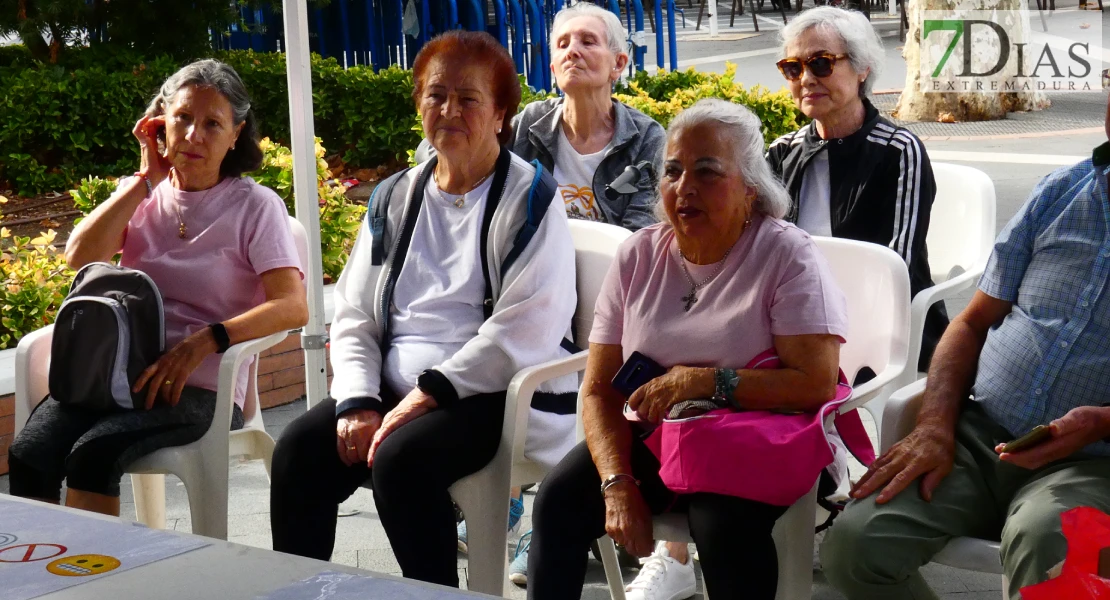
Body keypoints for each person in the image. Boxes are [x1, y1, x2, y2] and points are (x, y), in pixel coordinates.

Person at [267, 31, 579, 589]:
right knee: (298, 451)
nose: (450, 111)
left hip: (491, 393)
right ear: (418, 105)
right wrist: (359, 400)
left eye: (469, 99)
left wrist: (425, 395)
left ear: (501, 113)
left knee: (400, 461)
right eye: (436, 96)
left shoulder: (531, 198)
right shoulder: (395, 195)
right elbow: (357, 312)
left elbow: (526, 327)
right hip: (394, 387)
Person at [526, 98, 849, 600]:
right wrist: (617, 482)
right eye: (672, 171)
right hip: (656, 436)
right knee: (559, 501)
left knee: (722, 524)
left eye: (707, 171)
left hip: (751, 437)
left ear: (749, 188)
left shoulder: (786, 254)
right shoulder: (638, 254)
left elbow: (814, 383)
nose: (684, 188)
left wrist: (702, 380)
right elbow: (598, 390)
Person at [821, 94, 1110, 600]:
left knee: (1052, 549)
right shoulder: (1063, 191)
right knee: (854, 546)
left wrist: (1102, 422)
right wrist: (934, 424)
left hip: (1091, 463)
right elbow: (972, 323)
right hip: (976, 437)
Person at [8, 59, 308, 516]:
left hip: (201, 385)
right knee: (31, 454)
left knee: (94, 455)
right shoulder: (143, 195)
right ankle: (43, 576)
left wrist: (204, 342)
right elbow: (79, 256)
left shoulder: (256, 207)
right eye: (183, 118)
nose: (193, 135)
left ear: (235, 135)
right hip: (117, 373)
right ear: (159, 121)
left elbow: (292, 307)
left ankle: (97, 581)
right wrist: (144, 181)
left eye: (212, 124)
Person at [767, 6, 947, 375]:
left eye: (820, 63)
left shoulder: (898, 150)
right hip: (794, 322)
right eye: (793, 68)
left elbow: (896, 264)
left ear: (862, 68)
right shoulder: (781, 152)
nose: (806, 79)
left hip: (879, 323)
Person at [416, 3, 664, 231]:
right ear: (554, 68)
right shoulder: (531, 123)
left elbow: (640, 234)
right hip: (527, 264)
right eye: (562, 45)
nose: (572, 52)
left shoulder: (646, 138)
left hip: (609, 272)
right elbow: (436, 149)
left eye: (588, 42)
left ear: (618, 64)